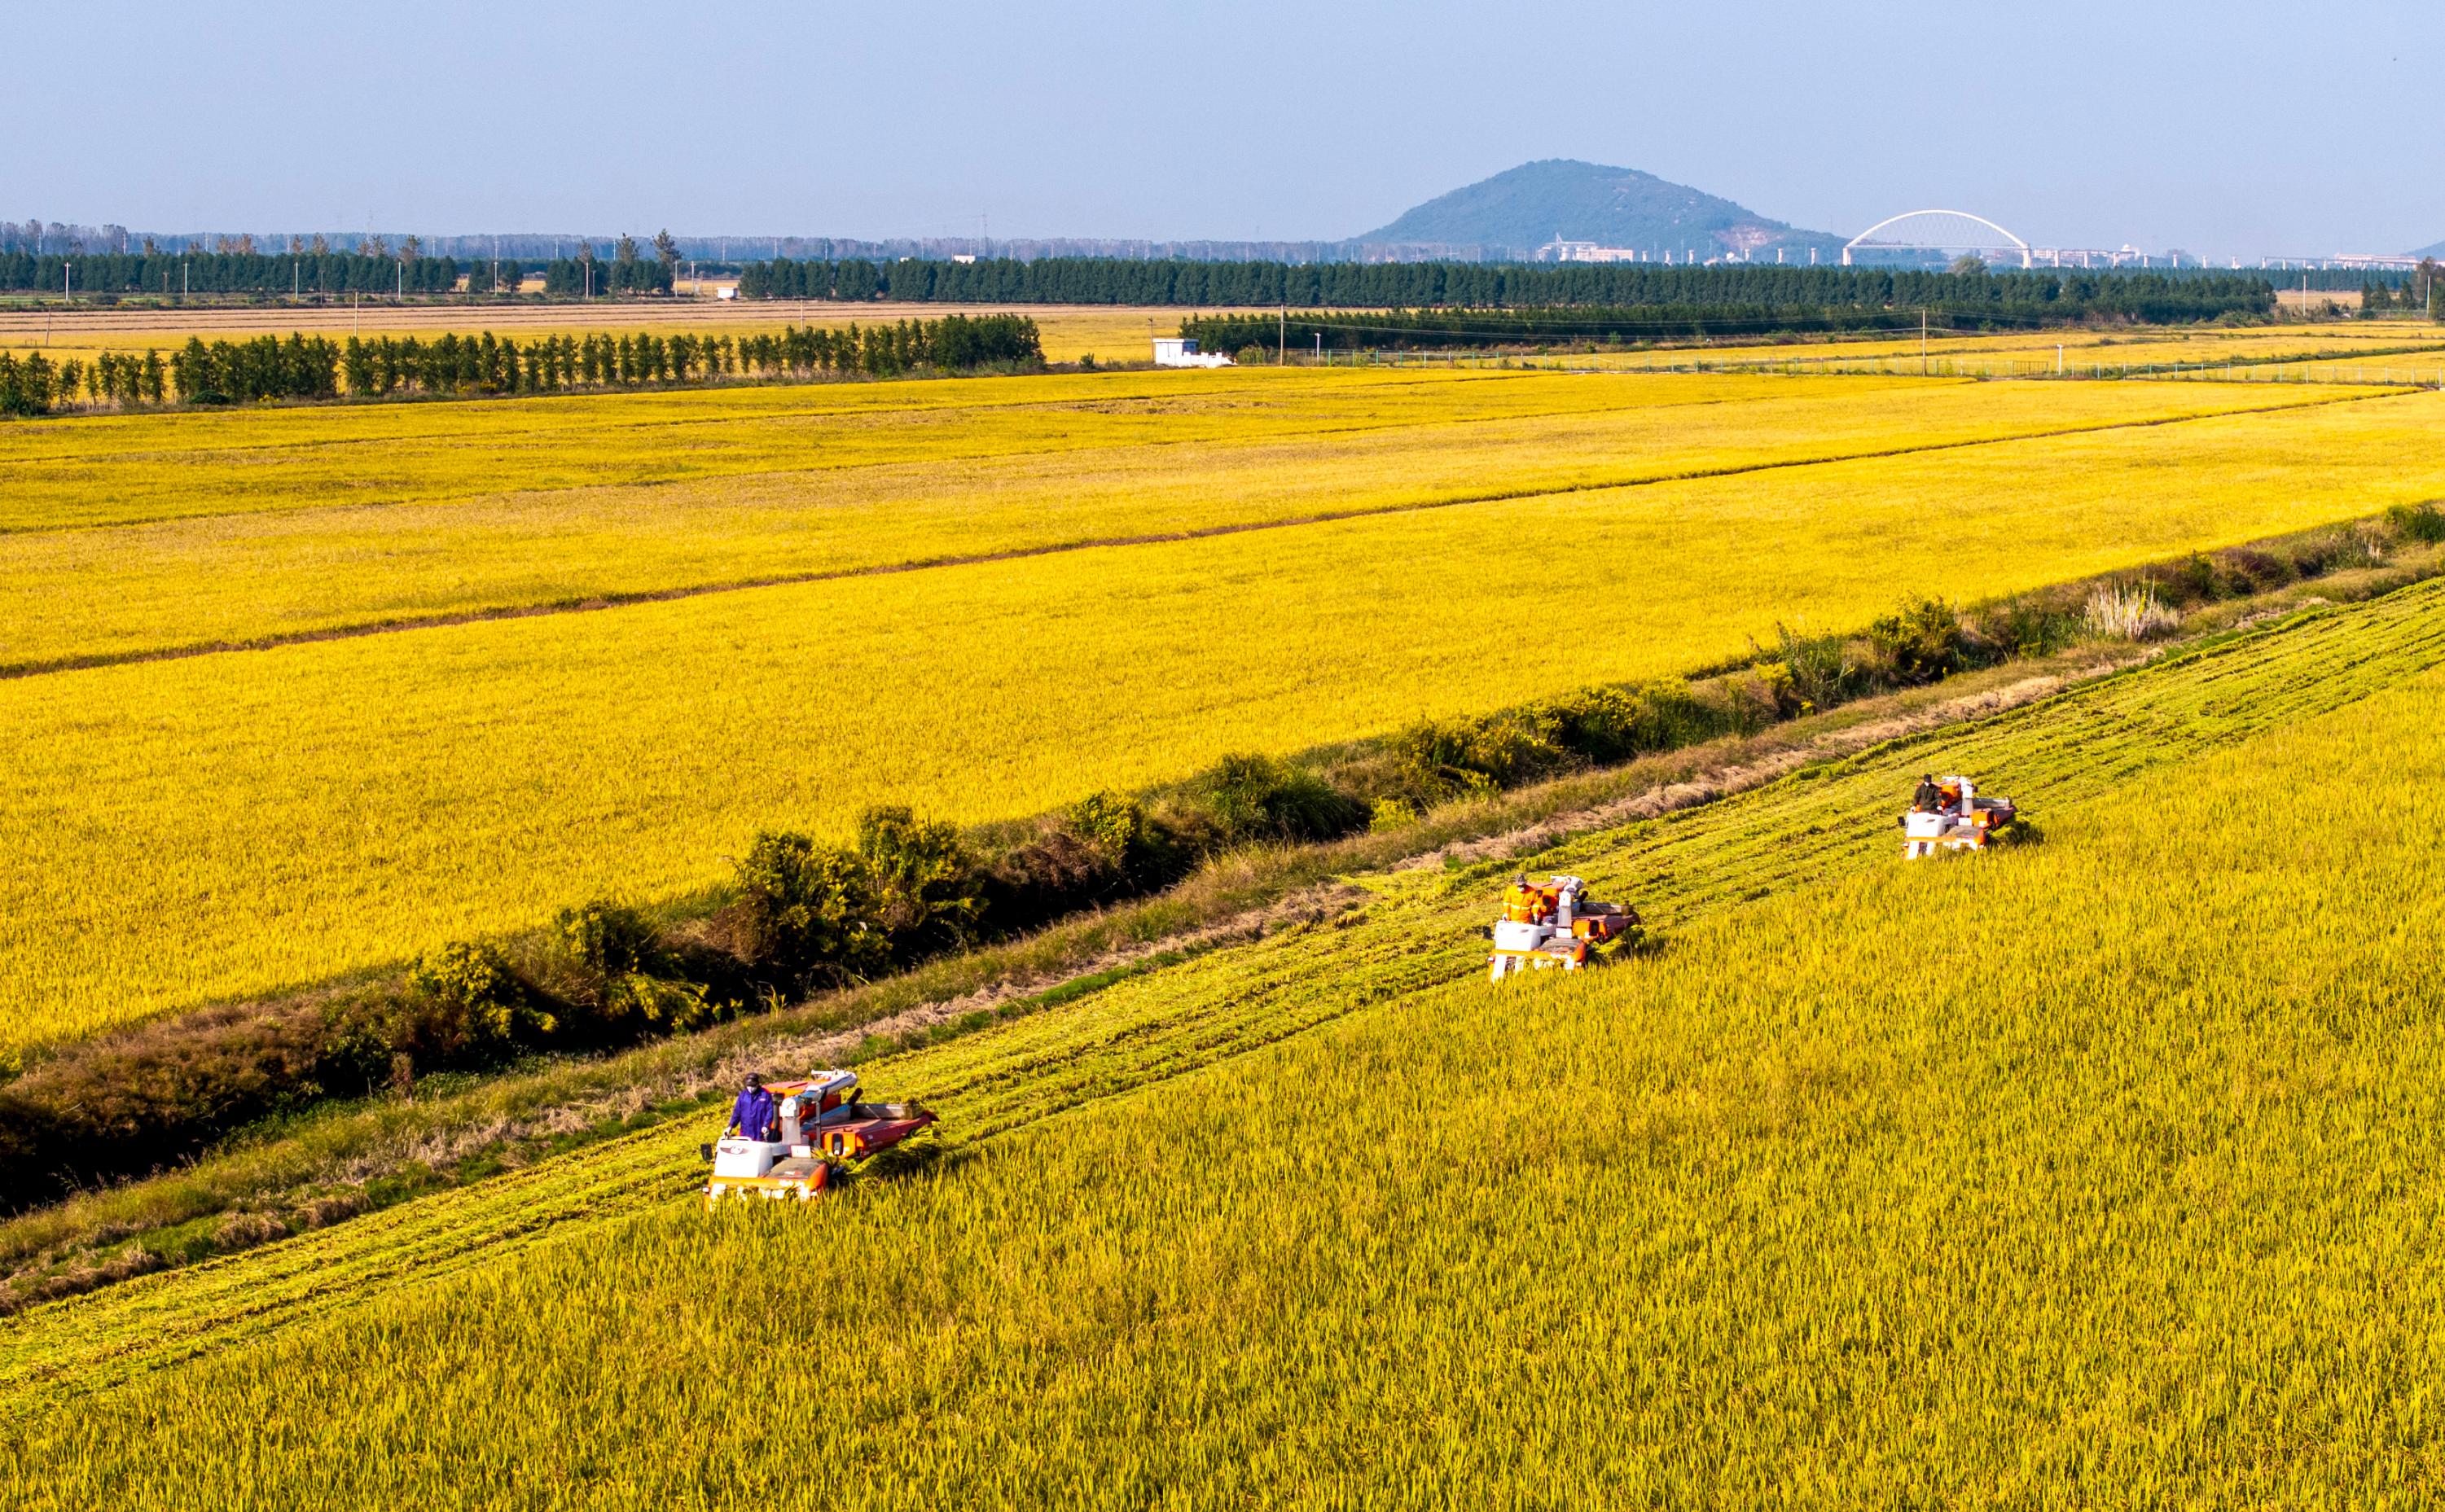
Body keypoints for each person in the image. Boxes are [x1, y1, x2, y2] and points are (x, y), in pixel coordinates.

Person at [726, 1074, 779, 1143]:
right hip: (745, 1132)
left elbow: (770, 1112)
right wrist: (730, 1126)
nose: (750, 1088)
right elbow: (737, 1112)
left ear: (757, 1084)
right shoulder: (743, 1096)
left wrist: (766, 1125)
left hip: (760, 1131)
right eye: (749, 1086)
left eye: (752, 1086)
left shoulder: (765, 1095)